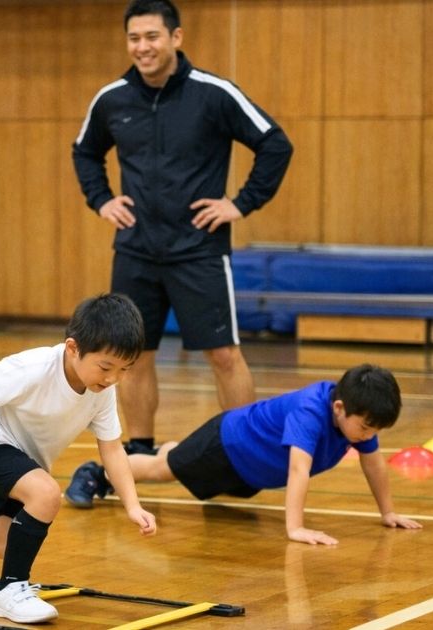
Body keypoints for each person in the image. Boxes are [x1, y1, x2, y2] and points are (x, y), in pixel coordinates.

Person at [71, 0, 294, 455]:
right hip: (135, 251)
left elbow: (275, 144)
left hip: (200, 250)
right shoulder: (112, 98)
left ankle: (242, 453)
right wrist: (101, 200)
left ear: (176, 37)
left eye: (152, 36)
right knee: (132, 357)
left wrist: (241, 204)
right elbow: (84, 152)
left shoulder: (214, 93)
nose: (143, 47)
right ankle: (138, 451)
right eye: (134, 38)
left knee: (225, 355)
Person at [0, 294, 157, 625]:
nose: (112, 378)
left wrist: (132, 505)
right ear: (73, 348)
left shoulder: (103, 391)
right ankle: (9, 590)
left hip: (19, 455)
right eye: (106, 367)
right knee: (46, 493)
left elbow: (113, 448)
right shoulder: (34, 368)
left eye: (124, 370)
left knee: (3, 542)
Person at [65, 364, 423, 546]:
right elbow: (299, 469)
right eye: (365, 429)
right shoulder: (310, 411)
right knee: (164, 468)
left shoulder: (356, 420)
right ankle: (98, 474)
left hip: (251, 474)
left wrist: (388, 512)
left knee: (175, 463)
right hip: (226, 445)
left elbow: (373, 463)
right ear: (340, 408)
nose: (368, 438)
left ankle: (170, 450)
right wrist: (295, 528)